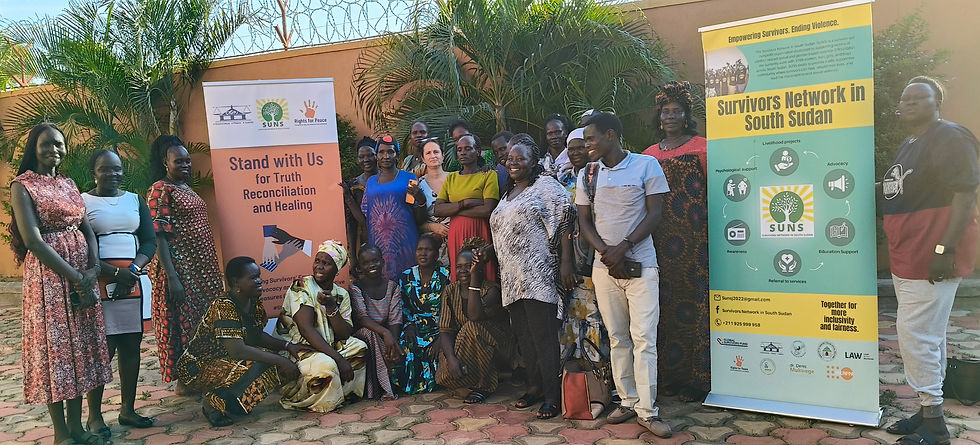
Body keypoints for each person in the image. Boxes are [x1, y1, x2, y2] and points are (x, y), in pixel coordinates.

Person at [880, 76, 979, 445]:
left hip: (931, 256)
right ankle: (926, 410)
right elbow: (898, 190)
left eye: (918, 98)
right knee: (928, 336)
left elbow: (966, 194)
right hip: (907, 253)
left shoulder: (950, 136)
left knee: (915, 336)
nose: (908, 103)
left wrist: (944, 250)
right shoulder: (910, 143)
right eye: (904, 98)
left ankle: (936, 426)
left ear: (937, 101)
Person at [9, 123, 112, 445]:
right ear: (33, 149)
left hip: (83, 275)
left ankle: (79, 428)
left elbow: (87, 229)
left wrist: (94, 268)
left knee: (80, 350)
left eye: (59, 144)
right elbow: (34, 241)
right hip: (50, 281)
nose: (53, 149)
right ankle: (61, 434)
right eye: (46, 144)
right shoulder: (22, 185)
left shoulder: (68, 183)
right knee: (56, 353)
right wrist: (76, 277)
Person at [576, 112, 672, 437]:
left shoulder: (646, 165)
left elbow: (656, 213)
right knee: (618, 337)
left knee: (644, 337)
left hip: (642, 265)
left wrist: (626, 246)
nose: (586, 144)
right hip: (605, 268)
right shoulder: (588, 173)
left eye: (591, 138)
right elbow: (584, 222)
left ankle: (648, 410)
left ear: (611, 136)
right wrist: (607, 252)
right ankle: (627, 401)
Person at [486, 136, 575, 419]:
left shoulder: (547, 187)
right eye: (510, 158)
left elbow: (565, 222)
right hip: (512, 278)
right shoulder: (509, 191)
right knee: (524, 337)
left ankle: (553, 395)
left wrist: (566, 264)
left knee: (544, 337)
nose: (513, 162)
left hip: (539, 276)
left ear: (534, 161)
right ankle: (535, 387)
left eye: (520, 158)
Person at [176, 257, 309, 426]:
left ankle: (234, 403)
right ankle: (213, 403)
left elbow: (257, 336)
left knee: (274, 359)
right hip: (198, 366)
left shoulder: (253, 301)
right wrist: (280, 360)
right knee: (264, 363)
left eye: (259, 276)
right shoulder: (224, 306)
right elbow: (237, 351)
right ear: (235, 282)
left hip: (225, 359)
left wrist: (287, 346)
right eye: (253, 278)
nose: (259, 280)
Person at [640, 81, 710, 402]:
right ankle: (669, 376)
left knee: (696, 306)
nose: (670, 117)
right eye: (665, 111)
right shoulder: (647, 155)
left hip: (696, 243)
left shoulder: (703, 146)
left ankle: (697, 380)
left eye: (676, 111)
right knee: (663, 308)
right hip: (659, 243)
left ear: (686, 115)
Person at [82, 149, 158, 437]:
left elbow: (149, 242)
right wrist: (115, 273)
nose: (113, 174)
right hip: (100, 284)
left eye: (117, 169)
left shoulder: (134, 200)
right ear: (94, 172)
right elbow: (81, 249)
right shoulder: (83, 202)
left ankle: (127, 410)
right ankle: (94, 417)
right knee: (103, 352)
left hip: (134, 284)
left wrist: (134, 270)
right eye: (106, 169)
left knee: (131, 349)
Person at [146, 134, 224, 393]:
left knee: (202, 322)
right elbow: (159, 234)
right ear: (165, 163)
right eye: (179, 162)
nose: (186, 166)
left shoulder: (186, 188)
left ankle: (197, 375)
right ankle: (185, 381)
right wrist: (172, 277)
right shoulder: (161, 189)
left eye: (188, 161)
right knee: (183, 323)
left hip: (201, 272)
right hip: (181, 271)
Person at [277, 241, 368, 412]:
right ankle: (308, 400)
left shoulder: (341, 294)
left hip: (328, 346)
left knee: (359, 347)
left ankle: (343, 395)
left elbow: (344, 334)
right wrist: (339, 359)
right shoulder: (302, 285)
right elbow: (306, 329)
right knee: (328, 365)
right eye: (317, 261)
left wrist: (332, 307)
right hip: (300, 350)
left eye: (326, 263)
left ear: (337, 268)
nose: (319, 266)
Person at [435, 238, 511, 404]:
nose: (463, 271)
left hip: (496, 344)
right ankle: (468, 380)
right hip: (468, 344)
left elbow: (474, 316)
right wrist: (452, 359)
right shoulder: (450, 290)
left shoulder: (491, 290)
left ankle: (484, 386)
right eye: (459, 266)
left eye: (469, 266)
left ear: (479, 268)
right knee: (448, 356)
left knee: (472, 327)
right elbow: (445, 329)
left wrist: (475, 279)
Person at [558, 129, 611, 365]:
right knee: (573, 313)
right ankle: (576, 381)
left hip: (600, 253)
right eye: (571, 148)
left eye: (581, 146)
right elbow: (562, 222)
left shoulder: (603, 175)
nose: (576, 152)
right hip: (572, 255)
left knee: (598, 315)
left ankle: (600, 378)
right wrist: (566, 261)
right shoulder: (563, 179)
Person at [432, 134, 500, 281]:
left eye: (468, 148)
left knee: (482, 273)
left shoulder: (488, 175)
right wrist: (466, 203)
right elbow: (438, 210)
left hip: (479, 231)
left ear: (477, 151)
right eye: (459, 149)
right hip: (456, 234)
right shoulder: (451, 178)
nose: (463, 152)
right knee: (460, 275)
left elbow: (487, 210)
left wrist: (455, 210)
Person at [361, 135, 427, 281]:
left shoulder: (409, 178)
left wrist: (421, 200)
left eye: (390, 152)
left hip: (405, 244)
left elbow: (419, 218)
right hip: (378, 247)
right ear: (376, 156)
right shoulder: (371, 182)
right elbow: (367, 216)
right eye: (382, 152)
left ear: (396, 155)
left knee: (408, 282)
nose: (386, 156)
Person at [394, 234, 450, 394]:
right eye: (420, 249)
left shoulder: (446, 275)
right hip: (415, 326)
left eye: (428, 250)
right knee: (405, 347)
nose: (423, 253)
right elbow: (403, 306)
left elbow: (451, 308)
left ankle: (435, 382)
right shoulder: (406, 277)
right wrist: (409, 325)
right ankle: (409, 386)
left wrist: (443, 336)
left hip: (440, 328)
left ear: (437, 254)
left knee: (435, 351)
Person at [351, 245, 404, 400]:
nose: (371, 265)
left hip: (386, 335)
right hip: (364, 334)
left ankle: (391, 384)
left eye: (375, 260)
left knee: (401, 346)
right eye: (366, 263)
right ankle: (386, 389)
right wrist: (385, 333)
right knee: (371, 334)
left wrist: (392, 343)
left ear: (382, 262)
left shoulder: (392, 287)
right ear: (360, 267)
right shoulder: (356, 287)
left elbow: (395, 319)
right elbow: (362, 318)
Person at [342, 136, 378, 271]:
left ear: (377, 156)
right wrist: (352, 256)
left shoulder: (385, 181)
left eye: (370, 155)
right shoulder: (352, 185)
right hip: (360, 239)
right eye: (361, 156)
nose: (366, 160)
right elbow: (350, 222)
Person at [416, 138, 451, 265]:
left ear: (443, 155)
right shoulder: (417, 186)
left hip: (457, 238)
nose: (433, 156)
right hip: (431, 247)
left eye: (436, 152)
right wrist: (433, 227)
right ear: (423, 158)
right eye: (428, 153)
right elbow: (414, 221)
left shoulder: (456, 178)